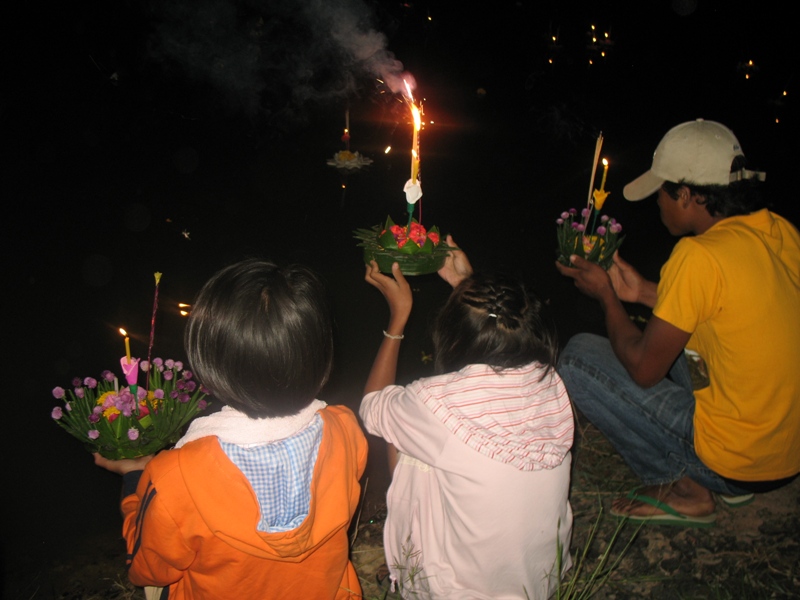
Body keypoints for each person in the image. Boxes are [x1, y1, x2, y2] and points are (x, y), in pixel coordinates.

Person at [556, 119, 800, 527]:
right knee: (695, 346)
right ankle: (730, 483)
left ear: (687, 195)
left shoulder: (697, 255)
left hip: (737, 466)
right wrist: (642, 292)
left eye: (662, 193)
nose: (657, 203)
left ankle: (688, 487)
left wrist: (608, 297)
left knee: (578, 356)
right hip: (785, 456)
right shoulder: (781, 232)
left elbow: (644, 369)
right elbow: (730, 307)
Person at [94, 258, 368, 599]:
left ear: (207, 360)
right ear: (319, 352)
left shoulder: (176, 476)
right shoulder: (345, 428)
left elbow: (147, 569)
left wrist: (136, 479)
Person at [360, 235, 574, 599]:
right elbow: (498, 326)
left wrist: (397, 319)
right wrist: (466, 286)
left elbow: (372, 406)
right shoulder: (549, 382)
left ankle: (415, 565)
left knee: (401, 434)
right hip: (540, 581)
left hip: (458, 592)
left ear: (452, 334)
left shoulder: (435, 404)